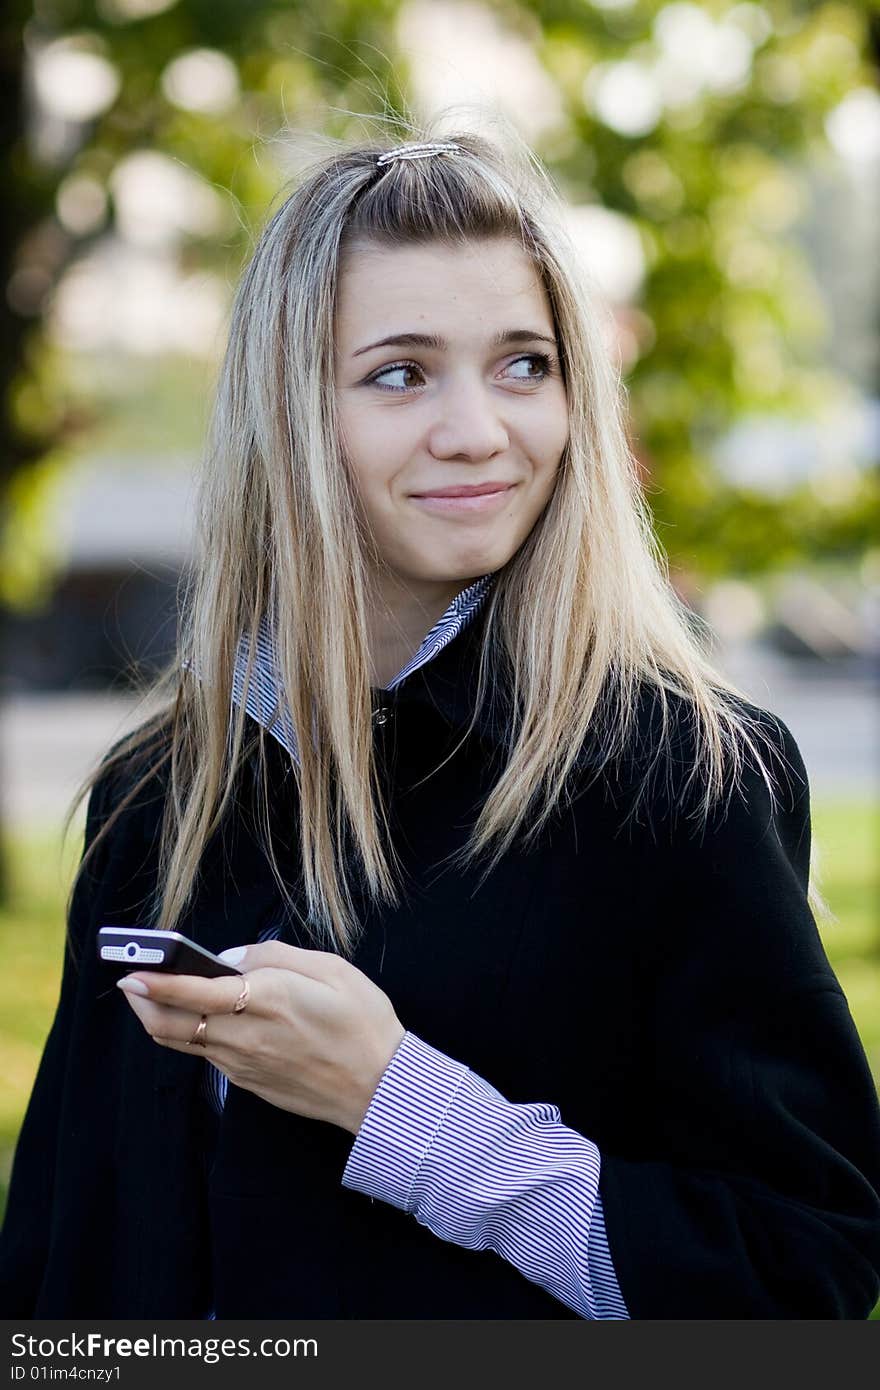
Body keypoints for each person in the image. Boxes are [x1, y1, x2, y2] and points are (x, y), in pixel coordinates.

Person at [1, 127, 879, 1321]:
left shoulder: (681, 773)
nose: (479, 430)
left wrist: (403, 1110)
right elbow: (61, 1249)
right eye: (401, 373)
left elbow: (802, 1273)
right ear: (290, 411)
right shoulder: (160, 792)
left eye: (523, 364)